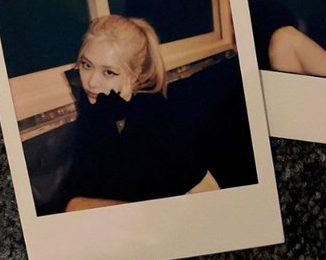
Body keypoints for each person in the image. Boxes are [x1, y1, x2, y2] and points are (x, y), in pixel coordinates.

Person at [62, 15, 218, 212]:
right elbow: (90, 179)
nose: (91, 82)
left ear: (137, 74)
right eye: (87, 65)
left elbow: (133, 191)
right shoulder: (102, 104)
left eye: (108, 72)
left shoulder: (153, 115)